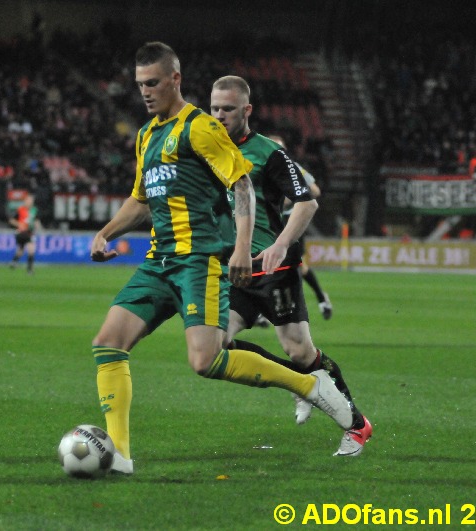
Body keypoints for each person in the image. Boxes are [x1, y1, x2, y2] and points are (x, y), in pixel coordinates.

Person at [90, 42, 354, 475]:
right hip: (159, 260)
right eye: (140, 84)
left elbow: (243, 185)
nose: (145, 92)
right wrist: (105, 232)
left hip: (198, 260)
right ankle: (119, 455)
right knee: (107, 343)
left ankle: (308, 384)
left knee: (206, 361)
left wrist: (241, 248)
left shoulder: (200, 127)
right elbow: (141, 199)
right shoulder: (146, 135)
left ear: (175, 79)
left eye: (152, 82)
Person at [209, 75, 371, 456]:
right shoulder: (206, 150)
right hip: (236, 270)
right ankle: (300, 384)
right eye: (214, 108)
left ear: (246, 110)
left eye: (228, 109)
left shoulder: (268, 152)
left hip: (274, 269)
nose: (219, 116)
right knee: (218, 344)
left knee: (300, 352)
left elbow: (308, 201)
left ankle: (357, 424)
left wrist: (282, 244)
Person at [267, 134, 333, 320]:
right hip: (269, 222)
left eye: (279, 148)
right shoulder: (260, 166)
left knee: (295, 264)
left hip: (291, 222)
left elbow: (315, 190)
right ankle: (262, 310)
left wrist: (292, 199)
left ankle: (320, 298)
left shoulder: (293, 168)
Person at [8, 194, 40, 274]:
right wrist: (20, 224)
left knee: (24, 250)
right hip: (21, 232)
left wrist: (38, 227)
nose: (30, 202)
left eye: (31, 201)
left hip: (30, 232)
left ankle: (14, 262)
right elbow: (11, 220)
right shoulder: (20, 210)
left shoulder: (34, 210)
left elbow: (36, 221)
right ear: (25, 201)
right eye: (29, 200)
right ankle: (29, 269)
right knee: (29, 249)